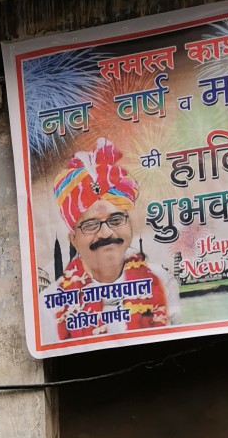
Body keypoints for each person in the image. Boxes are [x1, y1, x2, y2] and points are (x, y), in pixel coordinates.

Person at [41, 138, 178, 341]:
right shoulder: (50, 304)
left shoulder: (161, 281)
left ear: (129, 225)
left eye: (115, 219)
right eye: (90, 225)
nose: (105, 234)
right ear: (74, 239)